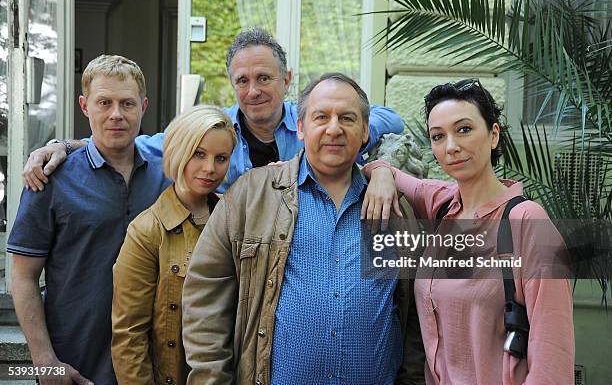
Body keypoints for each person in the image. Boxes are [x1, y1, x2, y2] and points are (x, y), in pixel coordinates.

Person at [181, 72, 425, 385]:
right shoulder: (251, 197)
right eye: (321, 116)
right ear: (300, 127)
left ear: (366, 131)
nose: (333, 128)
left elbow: (418, 315)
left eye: (347, 118)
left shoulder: (396, 209)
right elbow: (205, 298)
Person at [362, 79, 575, 384]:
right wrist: (381, 173)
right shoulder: (443, 205)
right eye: (438, 136)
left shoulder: (527, 221)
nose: (451, 146)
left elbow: (553, 360)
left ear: (493, 135)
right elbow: (385, 169)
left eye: (464, 129)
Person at [21, 28, 404, 193]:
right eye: (242, 81)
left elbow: (391, 119)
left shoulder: (315, 122)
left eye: (264, 78)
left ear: (286, 79)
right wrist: (65, 146)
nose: (253, 91)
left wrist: (381, 166)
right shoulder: (211, 129)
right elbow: (139, 145)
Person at [7, 55, 168, 384]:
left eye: (127, 103)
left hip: (148, 364)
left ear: (144, 106)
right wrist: (44, 361)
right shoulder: (51, 177)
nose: (116, 115)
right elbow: (23, 278)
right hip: (75, 361)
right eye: (104, 102)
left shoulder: (166, 174)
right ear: (84, 105)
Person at [111, 105, 236, 385]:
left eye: (221, 158)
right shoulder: (147, 231)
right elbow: (128, 337)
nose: (210, 168)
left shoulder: (235, 220)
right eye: (199, 154)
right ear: (179, 151)